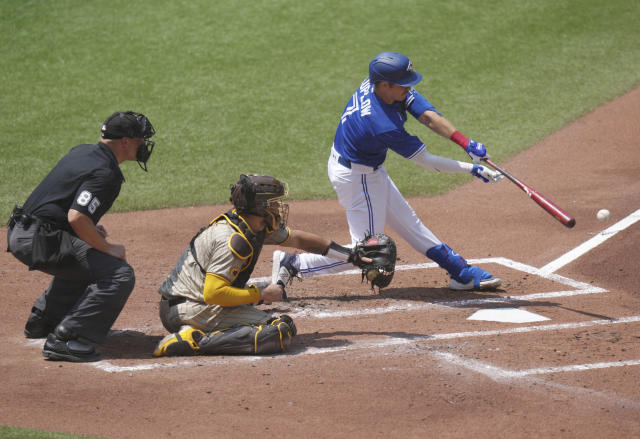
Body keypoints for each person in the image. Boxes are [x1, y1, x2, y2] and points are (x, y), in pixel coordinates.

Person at [272, 51, 504, 292]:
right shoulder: (380, 122)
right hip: (357, 177)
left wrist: (465, 143)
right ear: (385, 85)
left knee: (410, 224)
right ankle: (294, 264)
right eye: (404, 85)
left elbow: (427, 116)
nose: (409, 88)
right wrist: (472, 168)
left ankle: (460, 272)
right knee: (369, 252)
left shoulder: (380, 85)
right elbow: (428, 161)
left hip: (363, 168)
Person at [153, 174, 370, 357]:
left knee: (269, 317)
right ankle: (194, 339)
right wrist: (261, 294)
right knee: (277, 331)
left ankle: (197, 330)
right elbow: (213, 293)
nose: (278, 207)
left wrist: (351, 256)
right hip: (187, 307)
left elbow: (300, 240)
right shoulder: (232, 240)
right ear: (260, 206)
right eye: (274, 203)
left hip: (191, 302)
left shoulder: (254, 226)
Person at [7, 111, 156, 362]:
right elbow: (77, 217)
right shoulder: (107, 173)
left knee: (86, 256)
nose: (144, 145)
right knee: (118, 273)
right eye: (140, 139)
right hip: (39, 238)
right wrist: (108, 247)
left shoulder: (83, 152)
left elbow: (62, 202)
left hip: (22, 231)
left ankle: (44, 321)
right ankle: (66, 338)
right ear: (126, 142)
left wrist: (90, 232)